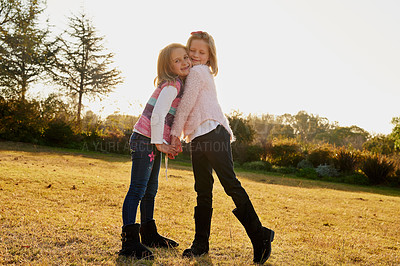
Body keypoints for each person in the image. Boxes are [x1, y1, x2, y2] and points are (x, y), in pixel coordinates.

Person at [171, 31, 274, 264]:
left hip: (212, 134)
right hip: (199, 136)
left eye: (201, 52)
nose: (196, 56)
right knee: (202, 190)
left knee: (230, 183)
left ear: (209, 57)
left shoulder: (198, 72)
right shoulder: (195, 73)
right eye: (192, 51)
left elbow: (186, 105)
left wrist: (175, 134)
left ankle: (260, 236)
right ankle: (200, 244)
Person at [119, 43, 192, 259]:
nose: (184, 62)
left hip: (152, 140)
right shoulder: (171, 85)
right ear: (168, 67)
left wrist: (170, 141)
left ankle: (149, 234)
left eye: (185, 57)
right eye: (177, 61)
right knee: (138, 189)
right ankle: (129, 242)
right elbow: (158, 115)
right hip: (145, 140)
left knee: (151, 190)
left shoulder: (178, 85)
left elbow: (169, 119)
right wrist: (160, 143)